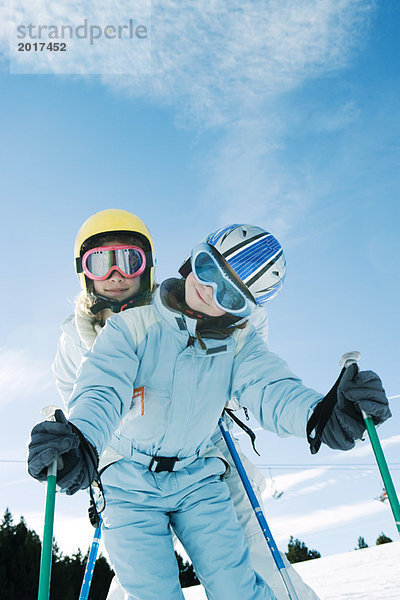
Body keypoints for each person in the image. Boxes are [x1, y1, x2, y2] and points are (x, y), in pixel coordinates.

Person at [28, 221, 391, 600]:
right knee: (151, 590)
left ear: (244, 310)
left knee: (239, 585)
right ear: (190, 261)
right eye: (206, 269)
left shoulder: (239, 342)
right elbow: (102, 389)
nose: (209, 290)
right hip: (128, 479)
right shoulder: (131, 327)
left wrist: (321, 414)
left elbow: (269, 387)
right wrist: (80, 440)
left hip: (199, 474)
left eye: (231, 296)